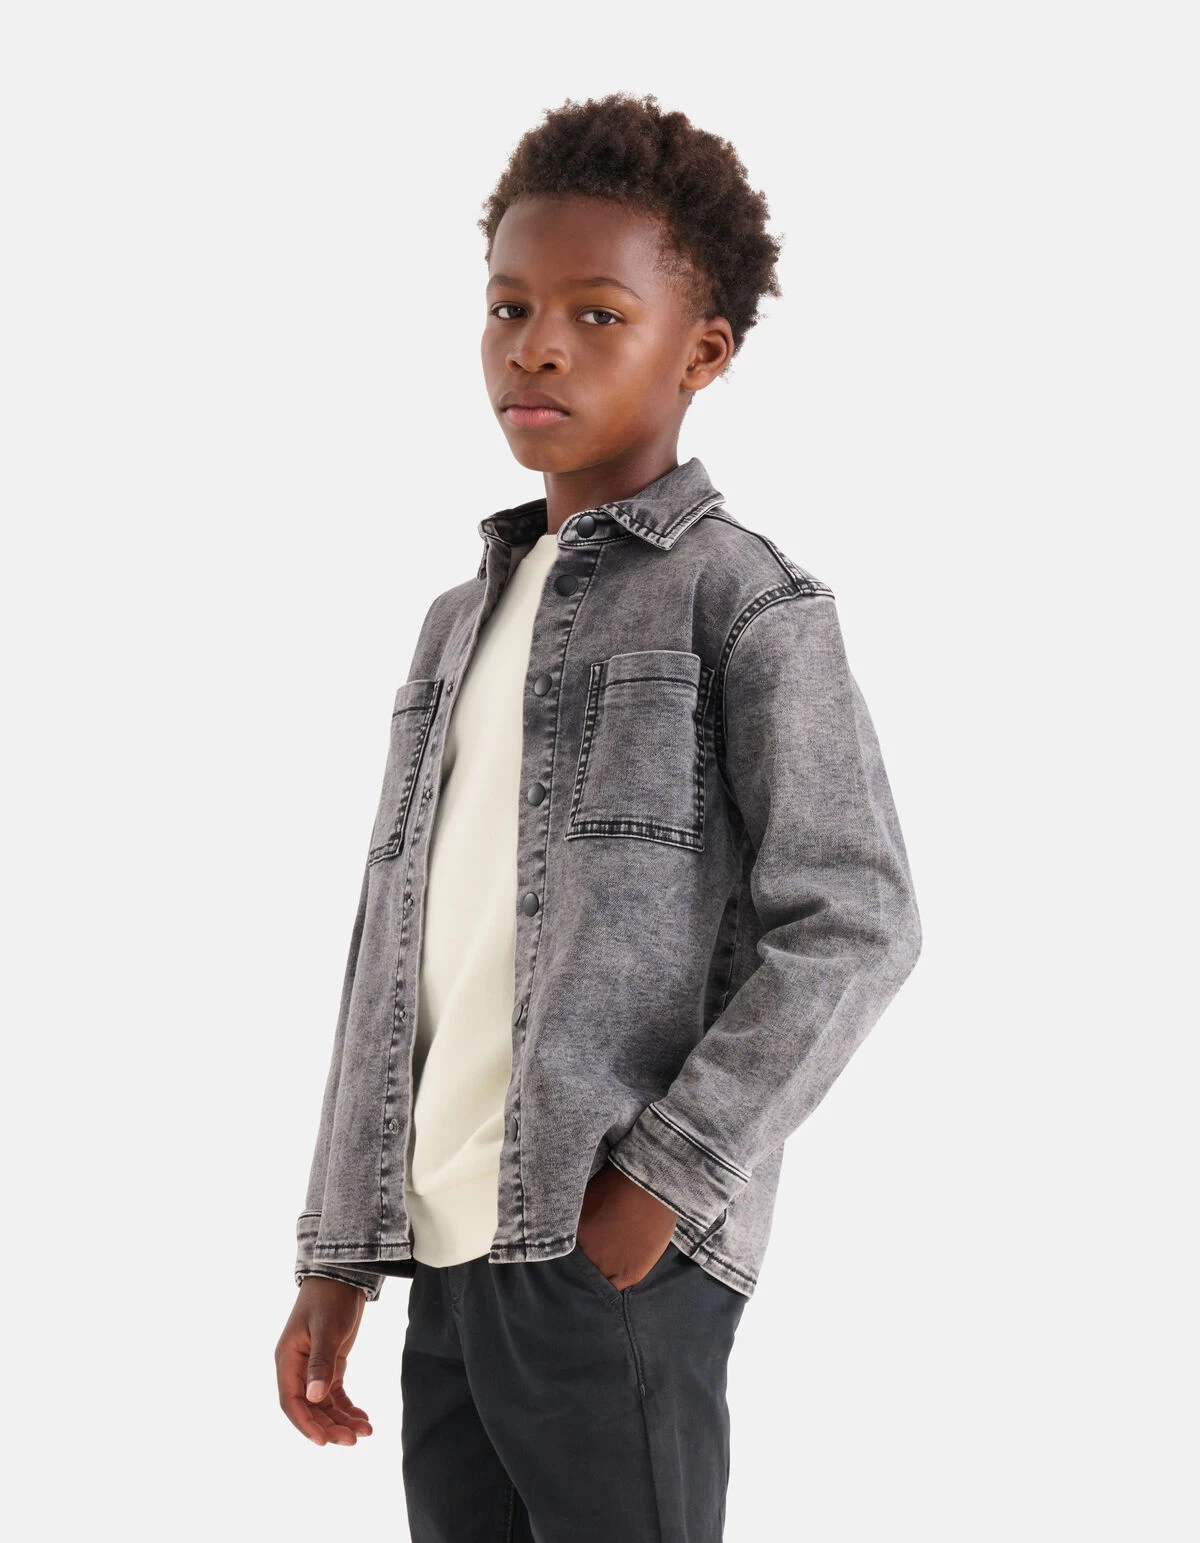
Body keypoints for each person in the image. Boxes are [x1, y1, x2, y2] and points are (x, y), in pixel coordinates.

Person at [274, 91, 922, 1542]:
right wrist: (337, 1250)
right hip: (447, 1252)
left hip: (603, 1243)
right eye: (509, 307)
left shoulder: (742, 601)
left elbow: (858, 920)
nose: (537, 345)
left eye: (596, 313)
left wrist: (659, 1182)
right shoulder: (455, 626)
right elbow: (395, 950)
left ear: (703, 352)